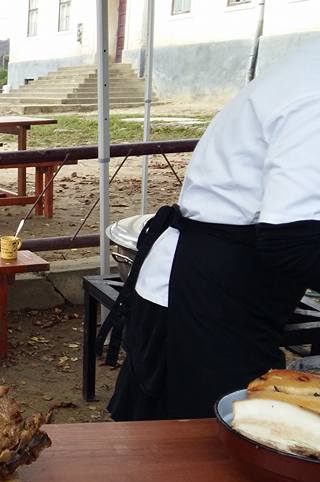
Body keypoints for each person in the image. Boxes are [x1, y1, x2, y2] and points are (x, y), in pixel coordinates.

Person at [105, 38, 320, 421]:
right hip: (205, 294)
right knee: (201, 438)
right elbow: (291, 241)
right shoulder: (313, 91)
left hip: (228, 288)